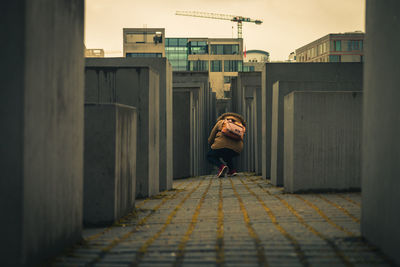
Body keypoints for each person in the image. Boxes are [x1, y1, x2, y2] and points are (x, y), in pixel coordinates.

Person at [207, 112, 246, 178]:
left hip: (220, 145)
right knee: (227, 156)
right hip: (237, 149)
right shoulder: (240, 124)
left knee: (210, 156)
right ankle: (232, 171)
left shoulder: (221, 122)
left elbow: (212, 136)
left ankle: (221, 166)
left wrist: (211, 144)